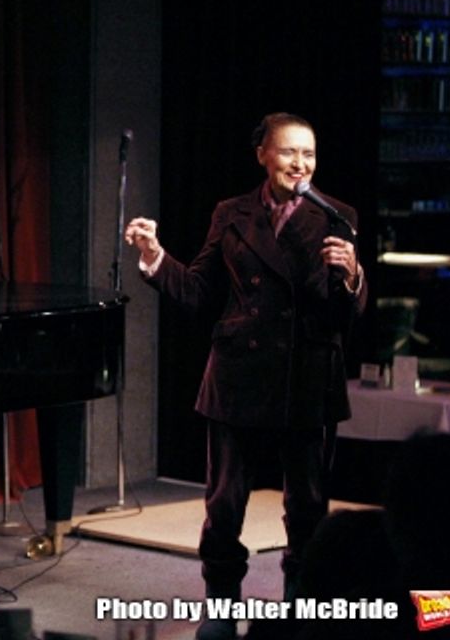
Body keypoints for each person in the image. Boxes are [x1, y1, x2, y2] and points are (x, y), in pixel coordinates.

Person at [124, 113, 366, 640]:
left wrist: (352, 278)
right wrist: (154, 257)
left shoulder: (339, 217)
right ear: (262, 154)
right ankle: (220, 606)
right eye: (288, 152)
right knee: (225, 504)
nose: (300, 165)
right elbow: (200, 292)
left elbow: (343, 317)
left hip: (306, 378)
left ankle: (301, 608)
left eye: (309, 154)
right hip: (237, 375)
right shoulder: (230, 214)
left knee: (306, 506)